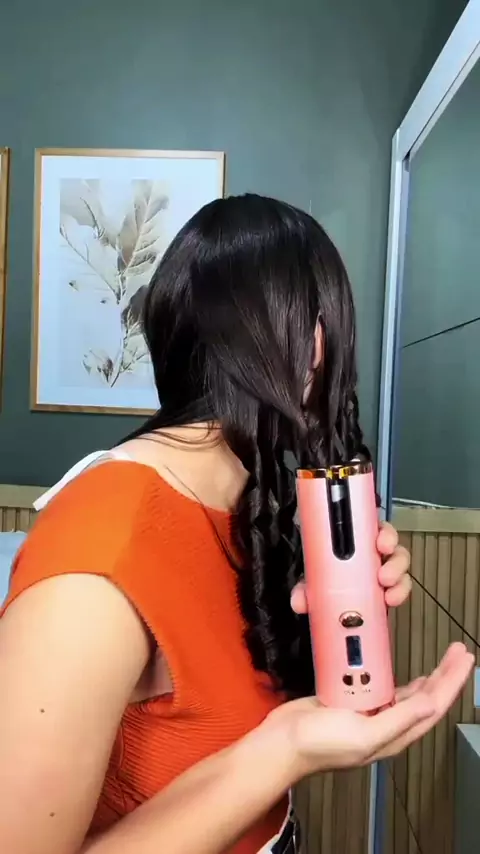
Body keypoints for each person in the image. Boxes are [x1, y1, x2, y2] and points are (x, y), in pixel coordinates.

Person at [0, 194, 472, 854]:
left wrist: (326, 618)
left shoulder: (247, 508)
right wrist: (286, 750)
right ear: (314, 344)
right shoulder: (99, 552)